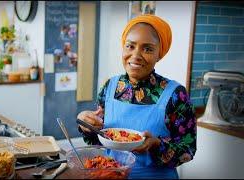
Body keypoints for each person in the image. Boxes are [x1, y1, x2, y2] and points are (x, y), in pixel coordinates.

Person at [77, 14, 196, 179]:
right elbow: (100, 139)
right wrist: (86, 125)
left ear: (159, 54)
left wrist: (156, 145)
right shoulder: (110, 87)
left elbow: (188, 150)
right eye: (130, 46)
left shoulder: (176, 95)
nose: (136, 55)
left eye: (147, 49)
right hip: (111, 175)